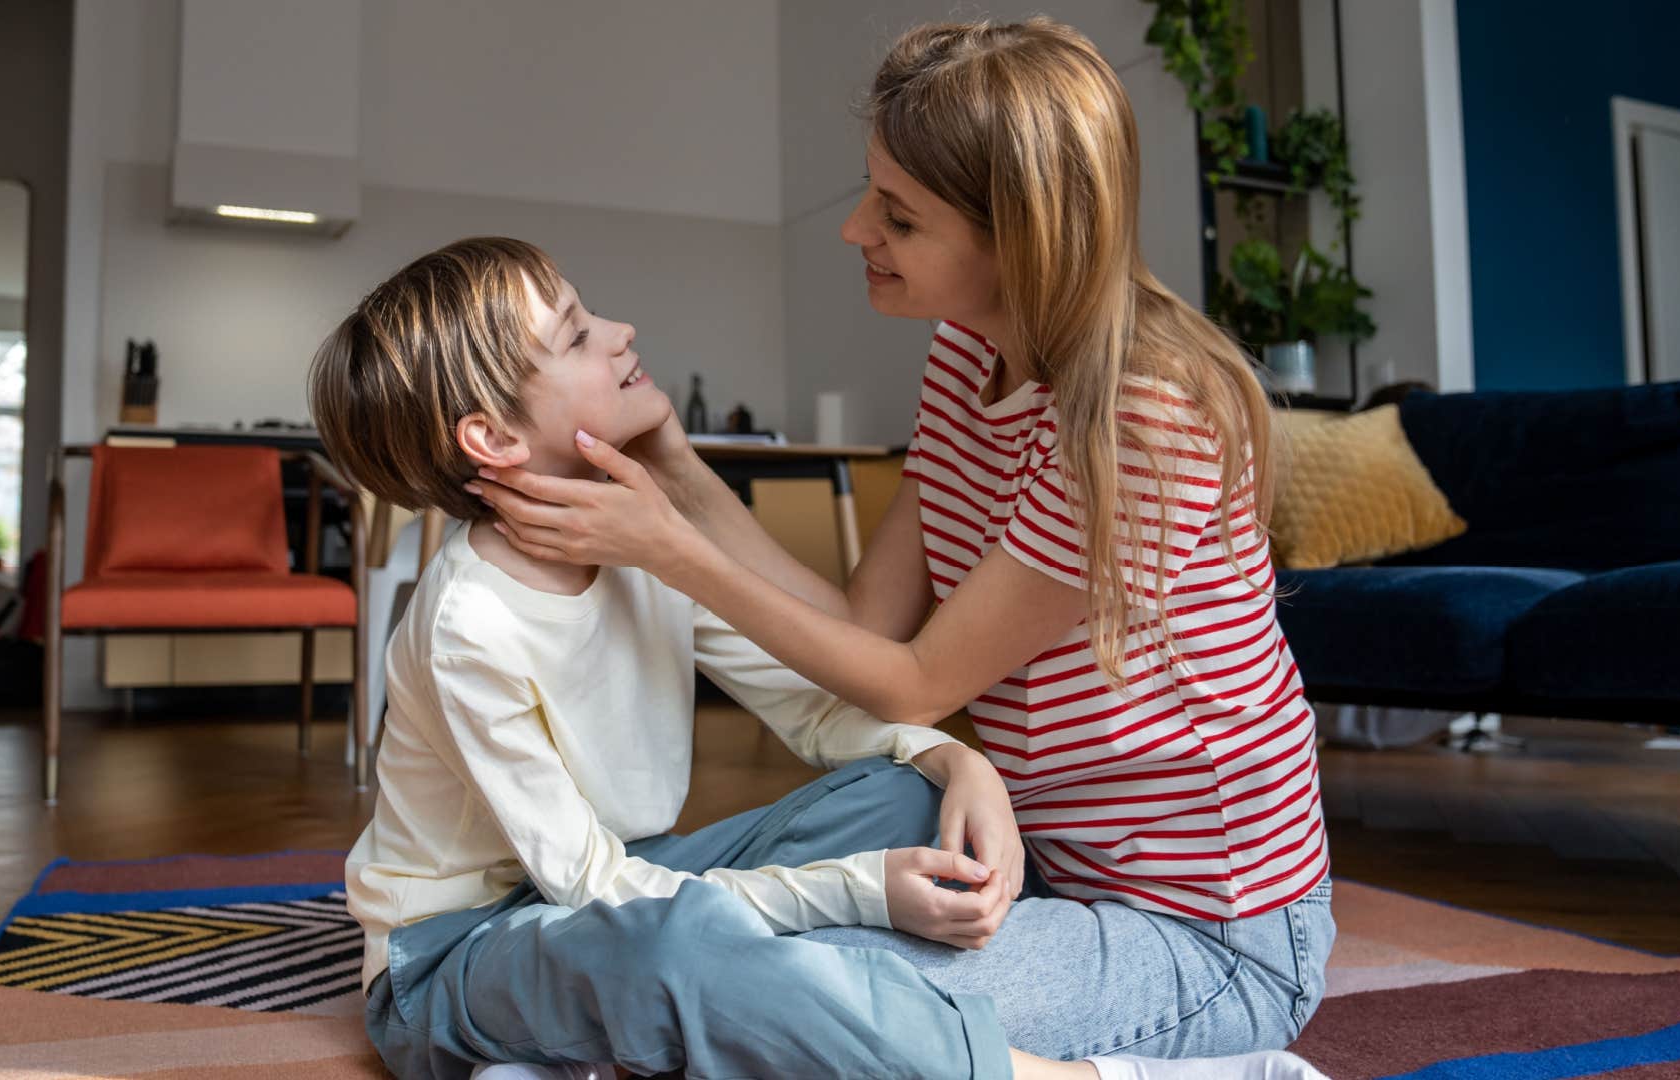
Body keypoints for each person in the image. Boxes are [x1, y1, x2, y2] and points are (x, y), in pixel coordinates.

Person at [473, 19, 1334, 1080]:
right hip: (1054, 873)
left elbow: (916, 684)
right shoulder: (970, 354)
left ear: (1019, 237)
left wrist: (669, 551)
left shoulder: (1143, 414)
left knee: (779, 993)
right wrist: (683, 479)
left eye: (901, 214)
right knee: (728, 967)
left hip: (1217, 938)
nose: (855, 231)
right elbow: (863, 629)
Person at [311, 236, 1113, 1080]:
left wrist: (956, 762)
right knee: (674, 945)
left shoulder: (641, 536)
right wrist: (862, 889)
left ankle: (614, 1044)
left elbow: (814, 709)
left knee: (909, 800)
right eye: (578, 335)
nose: (621, 331)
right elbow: (595, 897)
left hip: (635, 888)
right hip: (457, 955)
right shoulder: (468, 621)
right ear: (493, 436)